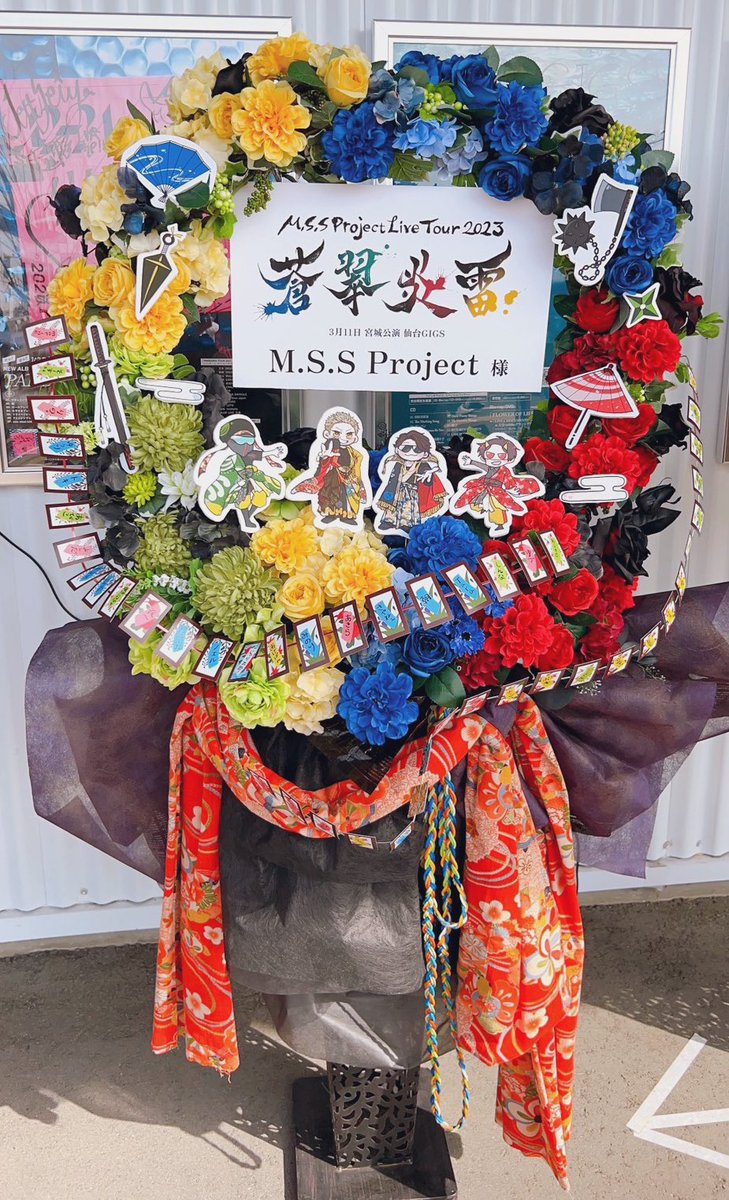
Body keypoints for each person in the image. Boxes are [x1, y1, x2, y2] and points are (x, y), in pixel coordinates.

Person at [195, 416, 287, 532]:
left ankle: (247, 517)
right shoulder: (226, 457)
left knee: (260, 496)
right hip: (220, 495)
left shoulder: (248, 455)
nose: (246, 445)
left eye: (250, 441)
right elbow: (236, 474)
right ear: (228, 441)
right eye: (240, 441)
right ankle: (246, 519)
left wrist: (273, 452)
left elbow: (260, 454)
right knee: (245, 497)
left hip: (242, 486)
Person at [288, 409, 370, 527]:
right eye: (337, 433)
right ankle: (329, 515)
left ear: (355, 437)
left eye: (349, 434)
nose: (343, 438)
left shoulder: (357, 454)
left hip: (348, 480)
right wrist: (326, 457)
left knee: (347, 499)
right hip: (332, 478)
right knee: (330, 496)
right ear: (327, 434)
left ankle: (347, 516)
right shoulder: (326, 448)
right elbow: (321, 467)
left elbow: (357, 470)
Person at [451, 433, 544, 536]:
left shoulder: (504, 470)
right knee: (471, 496)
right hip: (483, 485)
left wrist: (511, 489)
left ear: (508, 457)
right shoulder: (489, 467)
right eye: (490, 455)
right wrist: (471, 462)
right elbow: (483, 466)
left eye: (501, 456)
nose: (495, 459)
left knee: (498, 506)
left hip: (497, 490)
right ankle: (478, 510)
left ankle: (500, 524)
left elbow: (509, 480)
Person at [373, 427, 451, 535]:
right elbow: (392, 479)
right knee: (392, 508)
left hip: (412, 492)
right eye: (405, 448)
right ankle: (389, 521)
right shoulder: (397, 464)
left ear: (425, 453)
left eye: (417, 450)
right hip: (397, 490)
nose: (410, 452)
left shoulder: (423, 465)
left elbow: (429, 480)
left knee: (409, 509)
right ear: (397, 450)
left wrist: (428, 475)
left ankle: (406, 524)